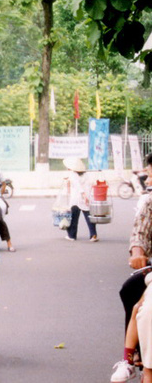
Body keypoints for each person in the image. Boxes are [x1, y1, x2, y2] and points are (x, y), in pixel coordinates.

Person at [113, 153, 152, 382]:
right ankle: (132, 356)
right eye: (148, 175)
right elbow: (139, 233)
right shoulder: (149, 202)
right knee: (133, 294)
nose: (148, 180)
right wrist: (138, 252)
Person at [62, 157, 98, 242]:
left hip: (76, 199)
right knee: (89, 217)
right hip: (86, 198)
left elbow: (78, 185)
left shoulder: (72, 174)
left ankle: (72, 236)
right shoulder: (86, 175)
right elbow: (90, 184)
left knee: (74, 218)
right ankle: (93, 235)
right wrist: (87, 196)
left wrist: (83, 195)